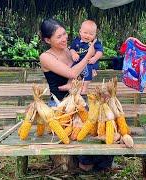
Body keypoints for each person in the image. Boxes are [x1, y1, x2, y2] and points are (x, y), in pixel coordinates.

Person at [39, 18, 113, 172]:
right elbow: (73, 71)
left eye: (64, 34)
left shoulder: (68, 50)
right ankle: (84, 164)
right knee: (78, 131)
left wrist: (89, 70)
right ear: (47, 40)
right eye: (58, 37)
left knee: (101, 123)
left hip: (78, 100)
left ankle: (101, 164)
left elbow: (78, 75)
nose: (64, 38)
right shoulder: (45, 57)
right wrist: (88, 57)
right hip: (61, 106)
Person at [69, 20, 103, 94]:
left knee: (88, 73)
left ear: (95, 35)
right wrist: (74, 54)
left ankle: (84, 88)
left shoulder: (95, 42)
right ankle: (74, 86)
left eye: (91, 34)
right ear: (80, 32)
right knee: (71, 72)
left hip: (89, 62)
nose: (87, 36)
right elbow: (71, 49)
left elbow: (100, 52)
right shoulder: (76, 41)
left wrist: (95, 58)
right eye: (85, 33)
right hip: (78, 61)